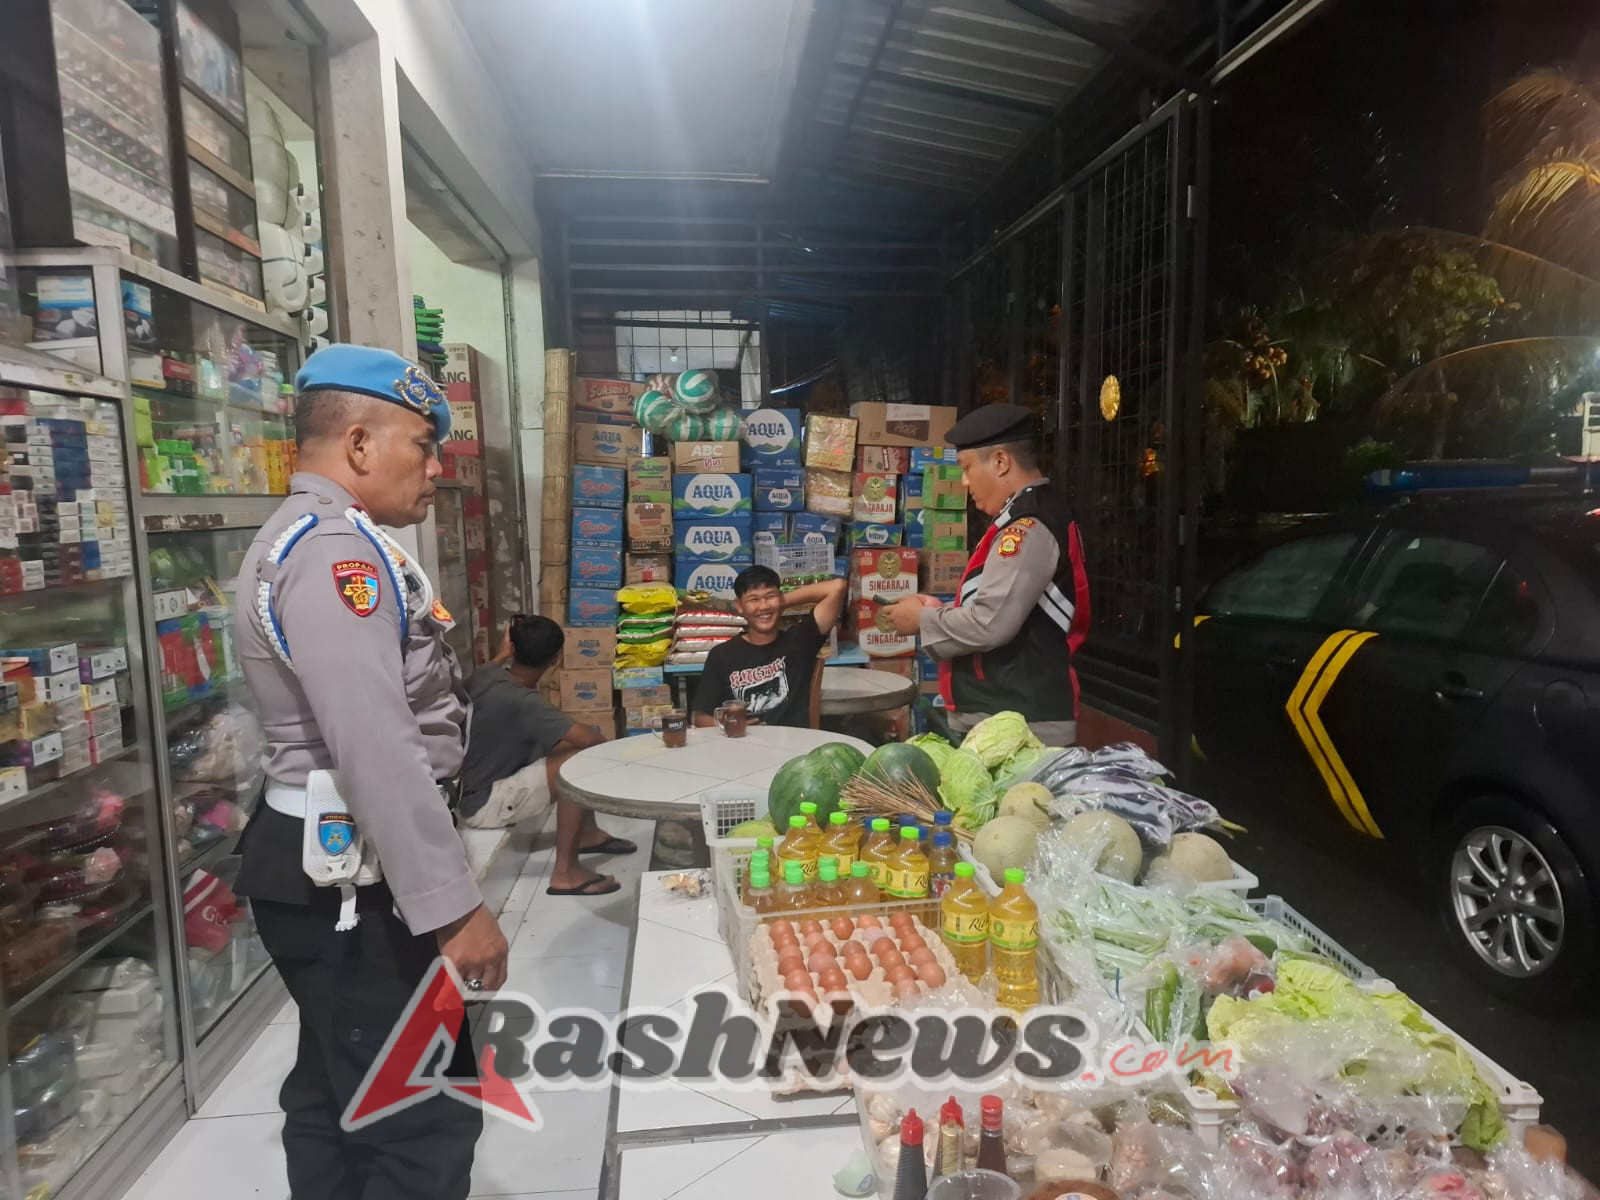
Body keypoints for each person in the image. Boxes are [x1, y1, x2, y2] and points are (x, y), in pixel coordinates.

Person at [232, 345, 505, 1200]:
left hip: (334, 859)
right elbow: (377, 746)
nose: (436, 469)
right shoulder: (333, 556)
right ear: (357, 443)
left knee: (335, 1087)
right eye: (423, 446)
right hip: (349, 875)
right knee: (420, 1113)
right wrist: (453, 908)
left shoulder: (330, 539)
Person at [885, 403, 1090, 746]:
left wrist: (922, 620)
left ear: (1000, 462)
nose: (964, 482)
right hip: (1007, 718)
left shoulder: (1028, 525)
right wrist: (939, 611)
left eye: (966, 467)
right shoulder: (1020, 516)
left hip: (1022, 726)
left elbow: (990, 623)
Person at [460, 614, 636, 896]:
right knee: (578, 762)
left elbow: (493, 664)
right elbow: (591, 741)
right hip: (485, 804)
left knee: (566, 748)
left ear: (511, 647)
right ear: (555, 659)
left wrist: (503, 653)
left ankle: (588, 835)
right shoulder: (523, 702)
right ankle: (565, 873)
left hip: (469, 791)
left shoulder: (485, 675)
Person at [692, 566, 848, 729]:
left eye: (770, 596)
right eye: (754, 600)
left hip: (792, 740)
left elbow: (837, 587)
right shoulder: (721, 655)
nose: (763, 606)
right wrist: (731, 725)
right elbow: (699, 717)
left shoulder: (799, 642)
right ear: (739, 606)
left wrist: (780, 602)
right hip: (743, 741)